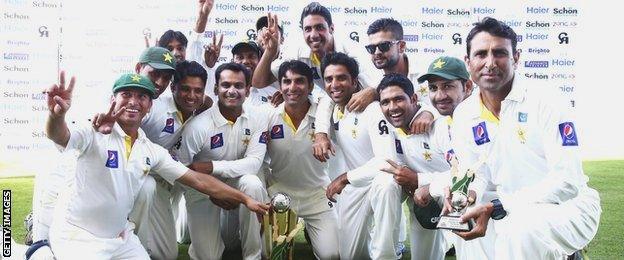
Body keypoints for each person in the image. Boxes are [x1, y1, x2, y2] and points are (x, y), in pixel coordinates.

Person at [44, 72, 268, 259]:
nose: (133, 101)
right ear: (113, 99)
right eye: (126, 94)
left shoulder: (150, 150)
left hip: (120, 238)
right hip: (79, 237)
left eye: (142, 97)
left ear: (150, 105)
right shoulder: (94, 130)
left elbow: (197, 179)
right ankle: (38, 251)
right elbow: (59, 135)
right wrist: (56, 116)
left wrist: (245, 199)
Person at [450, 17, 601, 259]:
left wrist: (502, 205)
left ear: (516, 58)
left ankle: (565, 253)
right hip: (508, 205)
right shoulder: (464, 113)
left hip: (568, 207)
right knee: (466, 225)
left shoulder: (547, 100)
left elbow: (568, 181)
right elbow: (475, 173)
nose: (489, 63)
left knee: (518, 229)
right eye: (480, 54)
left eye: (499, 53)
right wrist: (467, 195)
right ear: (468, 61)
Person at [176, 62, 269, 260]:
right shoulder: (197, 126)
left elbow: (254, 163)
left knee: (252, 182)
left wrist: (211, 167)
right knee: (209, 256)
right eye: (226, 85)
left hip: (238, 183)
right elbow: (182, 171)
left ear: (248, 90)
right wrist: (211, 191)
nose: (232, 91)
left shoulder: (258, 117)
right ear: (216, 89)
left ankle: (253, 256)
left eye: (239, 86)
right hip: (201, 190)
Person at [122, 60, 209, 259]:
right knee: (148, 187)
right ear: (173, 88)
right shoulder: (155, 109)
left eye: (198, 91)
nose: (192, 96)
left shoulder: (201, 109)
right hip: (144, 179)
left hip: (173, 176)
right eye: (185, 89)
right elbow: (125, 122)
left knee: (169, 253)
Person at [321, 52, 401, 259]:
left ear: (354, 81)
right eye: (329, 79)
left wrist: (344, 178)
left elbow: (386, 161)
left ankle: (387, 255)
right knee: (350, 255)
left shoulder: (372, 109)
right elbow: (322, 104)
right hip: (356, 187)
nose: (334, 84)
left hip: (381, 181)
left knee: (386, 183)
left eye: (341, 78)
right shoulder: (332, 108)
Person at [263, 60, 339, 259]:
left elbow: (333, 99)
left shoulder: (325, 115)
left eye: (299, 81)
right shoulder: (269, 116)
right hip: (281, 194)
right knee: (273, 255)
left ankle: (311, 230)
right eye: (286, 82)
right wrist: (266, 190)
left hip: (318, 195)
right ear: (280, 86)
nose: (292, 87)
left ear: (311, 86)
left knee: (332, 255)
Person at [377, 73, 455, 260]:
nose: (392, 107)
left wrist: (422, 182)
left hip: (448, 194)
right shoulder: (387, 128)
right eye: (385, 102)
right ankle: (386, 253)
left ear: (413, 99)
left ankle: (449, 237)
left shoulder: (439, 126)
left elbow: (464, 172)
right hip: (419, 197)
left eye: (398, 99)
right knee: (385, 183)